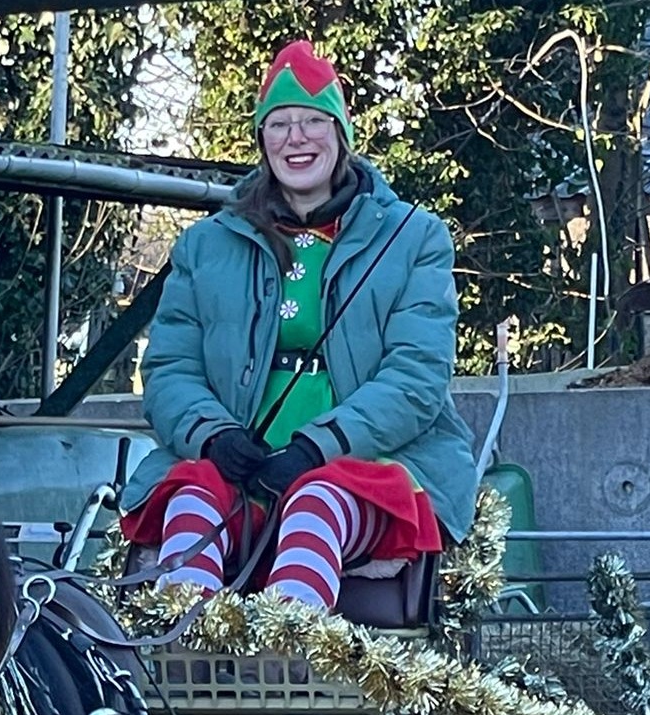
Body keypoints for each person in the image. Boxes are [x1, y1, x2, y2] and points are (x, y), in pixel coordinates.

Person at [119, 42, 477, 610]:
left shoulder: (414, 238)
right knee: (195, 496)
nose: (296, 138)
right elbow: (169, 368)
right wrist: (214, 436)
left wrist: (317, 448)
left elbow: (417, 377)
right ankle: (182, 652)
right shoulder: (205, 244)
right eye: (279, 123)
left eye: (313, 121)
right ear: (262, 140)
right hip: (242, 459)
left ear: (340, 134)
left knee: (317, 502)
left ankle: (292, 646)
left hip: (366, 466)